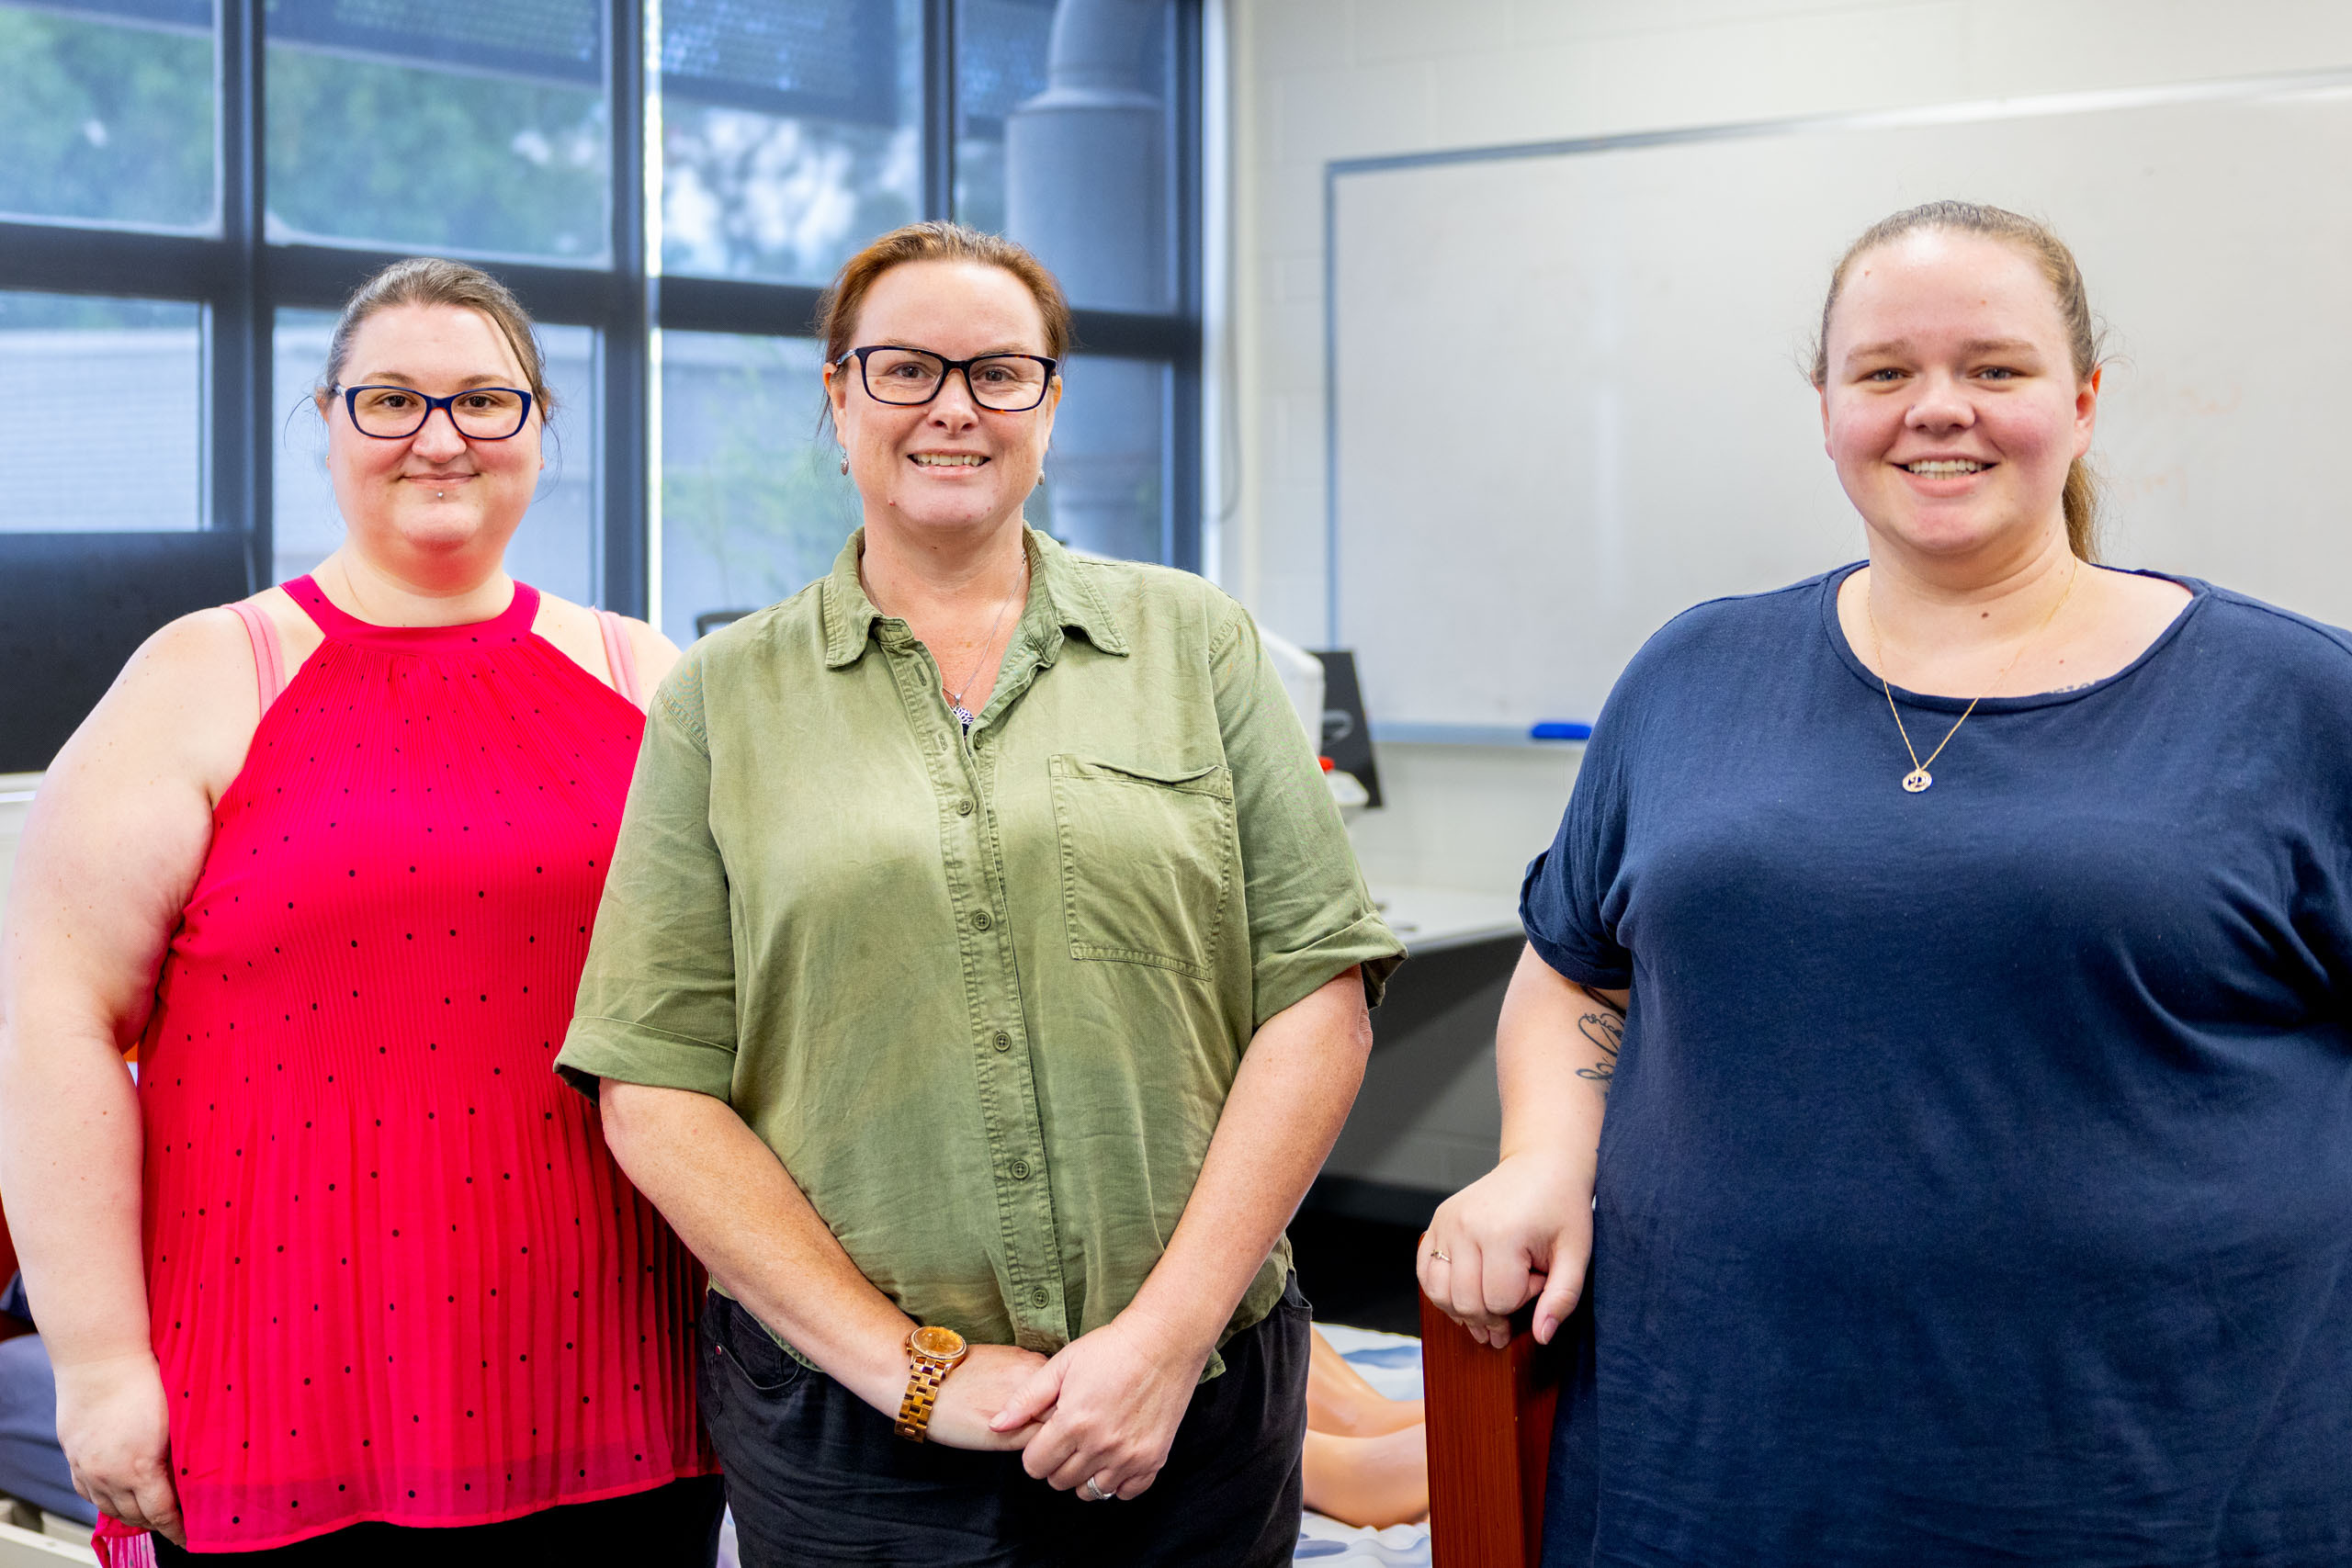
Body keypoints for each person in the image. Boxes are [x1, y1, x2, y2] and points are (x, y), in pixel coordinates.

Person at [1419, 198, 2352, 1566]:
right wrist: (1541, 1160)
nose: (1938, 411)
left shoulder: (2290, 698)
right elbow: (1576, 963)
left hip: (2154, 1470)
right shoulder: (1692, 676)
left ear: (2082, 400)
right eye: (1884, 373)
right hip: (1722, 1458)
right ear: (1826, 408)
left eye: (1995, 368)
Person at [556, 220, 1404, 1568]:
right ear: (838, 398)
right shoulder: (723, 702)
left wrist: (1161, 1345)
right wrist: (912, 1370)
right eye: (904, 369)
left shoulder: (1195, 643)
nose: (953, 406)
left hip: (1197, 1404)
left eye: (999, 372)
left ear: (1049, 407)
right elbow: (656, 1088)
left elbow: (1317, 995)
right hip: (853, 1438)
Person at [0, 257, 721, 1563]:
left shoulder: (645, 673)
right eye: (390, 400)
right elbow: (52, 1024)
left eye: (484, 402)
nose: (439, 438)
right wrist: (99, 1367)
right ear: (325, 420)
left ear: (539, 428)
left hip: (620, 1369)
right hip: (279, 1385)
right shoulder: (207, 673)